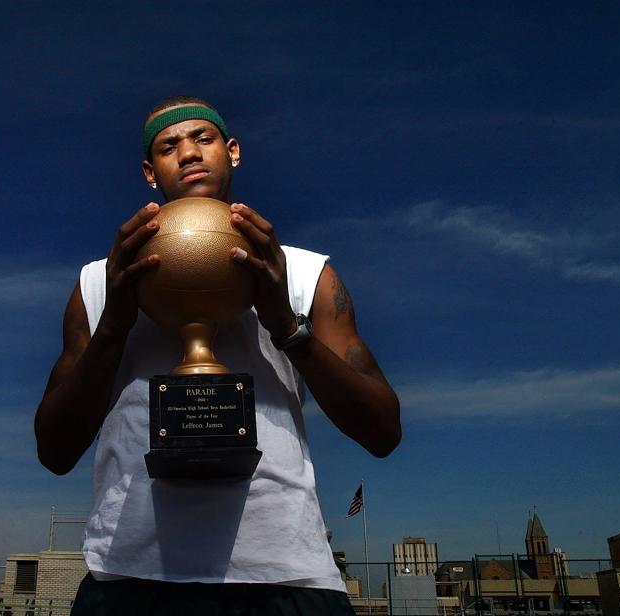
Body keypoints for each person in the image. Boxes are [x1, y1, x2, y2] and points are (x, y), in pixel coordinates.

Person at [35, 96, 401, 615]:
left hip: (284, 576)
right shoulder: (100, 281)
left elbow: (383, 430)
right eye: (169, 146)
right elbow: (54, 450)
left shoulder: (301, 273)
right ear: (149, 172)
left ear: (232, 152)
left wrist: (285, 327)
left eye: (203, 139)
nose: (188, 154)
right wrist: (115, 324)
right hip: (132, 574)